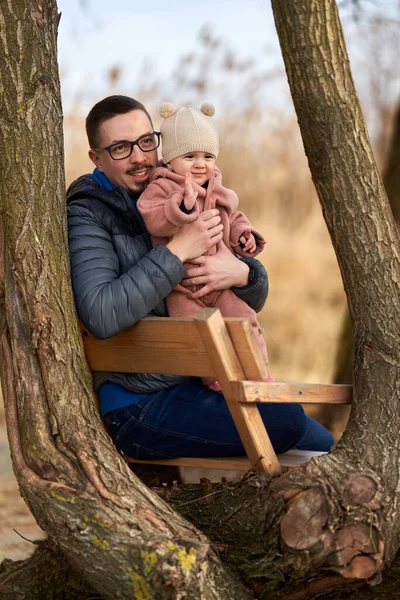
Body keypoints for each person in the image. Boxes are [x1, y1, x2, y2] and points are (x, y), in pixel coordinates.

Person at [67, 95, 333, 468]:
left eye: (147, 141)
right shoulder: (88, 214)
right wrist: (177, 252)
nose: (140, 157)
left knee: (322, 440)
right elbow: (101, 313)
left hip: (195, 380)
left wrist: (243, 272)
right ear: (97, 158)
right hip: (138, 402)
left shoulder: (180, 185)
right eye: (121, 148)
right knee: (286, 420)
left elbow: (253, 292)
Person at [137, 102, 271, 391]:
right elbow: (152, 218)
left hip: (221, 285)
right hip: (183, 286)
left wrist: (243, 234)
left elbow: (232, 217)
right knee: (195, 330)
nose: (201, 164)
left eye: (208, 156)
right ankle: (215, 378)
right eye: (190, 156)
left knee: (246, 320)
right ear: (170, 160)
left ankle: (260, 373)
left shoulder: (218, 188)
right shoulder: (161, 187)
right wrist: (181, 206)